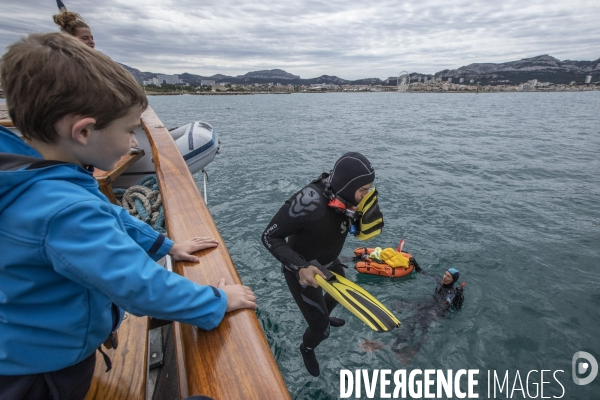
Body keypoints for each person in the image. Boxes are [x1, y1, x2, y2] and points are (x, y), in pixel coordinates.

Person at [0, 32, 256, 400]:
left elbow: (110, 216)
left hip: (25, 348)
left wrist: (166, 245)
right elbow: (139, 286)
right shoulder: (64, 209)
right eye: (127, 130)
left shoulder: (38, 173)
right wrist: (216, 301)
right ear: (83, 131)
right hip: (41, 376)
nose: (134, 143)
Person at [262, 152, 376, 377]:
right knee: (321, 330)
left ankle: (322, 315)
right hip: (303, 271)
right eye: (363, 190)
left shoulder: (345, 198)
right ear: (347, 185)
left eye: (369, 189)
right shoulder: (308, 202)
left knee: (336, 295)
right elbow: (269, 236)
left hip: (328, 262)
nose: (367, 195)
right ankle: (307, 347)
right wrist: (300, 267)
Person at [387, 266, 465, 364]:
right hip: (427, 305)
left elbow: (457, 309)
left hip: (436, 312)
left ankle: (411, 353)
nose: (444, 277)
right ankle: (394, 344)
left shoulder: (453, 293)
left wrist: (459, 297)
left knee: (422, 327)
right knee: (408, 320)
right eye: (445, 274)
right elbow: (423, 272)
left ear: (453, 280)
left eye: (448, 276)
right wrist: (415, 263)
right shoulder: (439, 282)